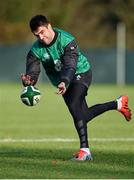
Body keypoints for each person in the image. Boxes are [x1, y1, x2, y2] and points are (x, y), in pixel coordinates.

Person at [21, 15, 132, 161]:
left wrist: (64, 81)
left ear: (49, 26)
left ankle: (85, 151)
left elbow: (70, 65)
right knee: (82, 115)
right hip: (62, 83)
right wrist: (29, 80)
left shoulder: (67, 40)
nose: (41, 37)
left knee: (74, 106)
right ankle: (118, 103)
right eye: (37, 35)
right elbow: (33, 71)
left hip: (81, 73)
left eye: (42, 32)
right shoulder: (35, 50)